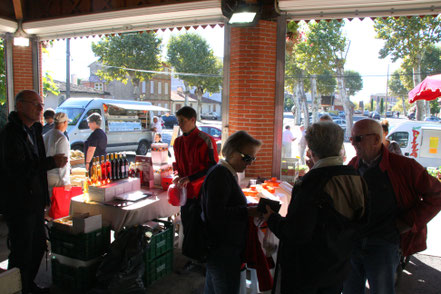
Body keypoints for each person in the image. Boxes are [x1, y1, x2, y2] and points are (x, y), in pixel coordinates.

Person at [263, 122, 368, 294]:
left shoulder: (312, 183)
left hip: (307, 273)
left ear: (310, 149)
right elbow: (363, 223)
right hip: (338, 266)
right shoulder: (356, 177)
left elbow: (296, 233)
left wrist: (272, 218)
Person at [343, 119, 441, 294]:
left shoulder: (404, 166)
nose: (353, 144)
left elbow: (437, 194)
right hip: (354, 242)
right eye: (351, 139)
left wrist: (409, 221)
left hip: (384, 244)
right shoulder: (353, 165)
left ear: (375, 139)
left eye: (358, 139)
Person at [0, 90, 68, 294]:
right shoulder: (10, 134)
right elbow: (17, 168)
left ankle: (27, 284)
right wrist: (51, 162)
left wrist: (45, 199)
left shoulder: (34, 131)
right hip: (18, 202)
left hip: (35, 201)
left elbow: (38, 172)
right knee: (22, 249)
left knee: (38, 246)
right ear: (20, 106)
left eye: (41, 104)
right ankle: (16, 288)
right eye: (35, 104)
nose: (40, 108)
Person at [201, 130, 262, 294]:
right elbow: (216, 214)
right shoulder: (220, 175)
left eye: (252, 159)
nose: (250, 163)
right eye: (248, 158)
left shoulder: (226, 173)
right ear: (233, 153)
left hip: (222, 248)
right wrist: (248, 212)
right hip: (222, 250)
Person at [173, 106, 219, 262]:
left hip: (202, 191)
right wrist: (177, 176)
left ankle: (200, 260)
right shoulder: (178, 142)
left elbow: (213, 167)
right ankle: (192, 259)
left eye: (182, 121)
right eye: (178, 121)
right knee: (187, 223)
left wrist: (191, 178)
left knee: (199, 227)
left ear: (193, 120)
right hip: (185, 192)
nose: (180, 124)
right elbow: (178, 165)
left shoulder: (205, 139)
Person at [43, 112, 71, 197]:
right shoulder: (61, 138)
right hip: (57, 177)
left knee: (50, 205)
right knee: (57, 205)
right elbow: (63, 162)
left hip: (46, 175)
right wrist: (66, 181)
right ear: (65, 123)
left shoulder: (46, 135)